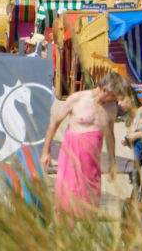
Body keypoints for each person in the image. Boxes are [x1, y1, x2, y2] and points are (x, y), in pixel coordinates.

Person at [41, 71, 124, 220]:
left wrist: (112, 162)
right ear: (105, 90)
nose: (116, 99)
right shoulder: (77, 99)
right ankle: (62, 237)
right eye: (114, 95)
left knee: (90, 203)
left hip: (92, 164)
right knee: (66, 201)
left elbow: (110, 135)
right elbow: (54, 123)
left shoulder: (111, 107)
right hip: (71, 159)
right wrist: (45, 151)